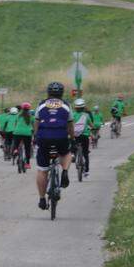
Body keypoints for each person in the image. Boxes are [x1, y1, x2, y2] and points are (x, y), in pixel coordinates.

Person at [34, 82, 74, 210]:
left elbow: (36, 123)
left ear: (48, 92)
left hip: (44, 137)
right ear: (61, 93)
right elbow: (70, 125)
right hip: (60, 136)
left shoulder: (41, 104)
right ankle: (65, 171)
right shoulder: (66, 105)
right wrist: (72, 138)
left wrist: (36, 136)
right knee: (66, 153)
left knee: (42, 170)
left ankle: (41, 199)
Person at [70, 98, 93, 176]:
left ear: (75, 107)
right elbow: (91, 125)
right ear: (83, 107)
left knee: (72, 141)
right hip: (84, 135)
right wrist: (93, 128)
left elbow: (70, 124)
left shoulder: (73, 115)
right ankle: (86, 171)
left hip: (75, 135)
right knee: (85, 153)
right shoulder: (86, 115)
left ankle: (73, 154)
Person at [11, 103, 34, 169]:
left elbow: (15, 124)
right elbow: (33, 126)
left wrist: (15, 130)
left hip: (17, 132)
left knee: (16, 143)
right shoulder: (31, 116)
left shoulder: (18, 115)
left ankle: (15, 150)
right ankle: (27, 164)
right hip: (27, 133)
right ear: (29, 109)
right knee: (27, 148)